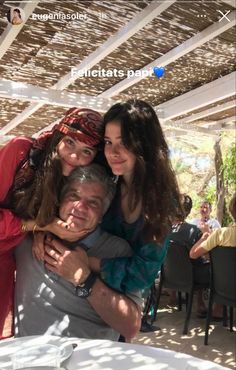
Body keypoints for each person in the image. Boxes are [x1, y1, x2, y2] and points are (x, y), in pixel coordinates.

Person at [44, 100, 183, 299]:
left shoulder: (160, 202)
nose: (113, 152)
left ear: (144, 145)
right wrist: (44, 231)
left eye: (124, 142)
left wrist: (86, 262)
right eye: (108, 142)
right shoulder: (105, 180)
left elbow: (142, 275)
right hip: (74, 285)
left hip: (122, 299)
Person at [0, 107, 103, 338]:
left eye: (86, 151)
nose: (75, 157)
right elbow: (32, 220)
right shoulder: (21, 152)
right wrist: (38, 226)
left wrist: (39, 231)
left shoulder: (65, 181)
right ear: (58, 136)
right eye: (69, 142)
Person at [14, 164, 141, 341]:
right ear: (60, 200)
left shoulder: (116, 250)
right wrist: (39, 226)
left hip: (87, 363)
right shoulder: (27, 239)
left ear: (101, 216)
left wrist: (84, 279)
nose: (80, 207)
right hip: (30, 359)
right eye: (74, 196)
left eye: (93, 202)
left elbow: (131, 328)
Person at [190, 193, 236, 318]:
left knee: (215, 268)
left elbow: (193, 254)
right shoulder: (193, 222)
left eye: (206, 207)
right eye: (202, 207)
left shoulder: (220, 233)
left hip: (225, 287)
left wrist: (205, 236)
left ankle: (217, 308)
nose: (203, 209)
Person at [168, 194, 210, 316]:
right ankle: (200, 303)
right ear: (189, 210)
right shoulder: (194, 231)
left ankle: (172, 296)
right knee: (203, 263)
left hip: (169, 276)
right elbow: (202, 253)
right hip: (190, 276)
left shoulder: (165, 230)